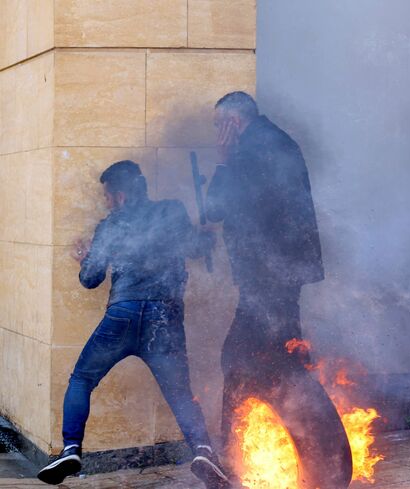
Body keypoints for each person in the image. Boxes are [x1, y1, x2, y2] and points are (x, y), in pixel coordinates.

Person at [37, 161, 229, 487]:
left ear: (122, 195)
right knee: (180, 393)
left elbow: (90, 279)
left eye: (108, 197)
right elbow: (195, 248)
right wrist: (206, 238)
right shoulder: (172, 210)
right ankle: (203, 451)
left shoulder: (111, 225)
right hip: (163, 319)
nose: (107, 203)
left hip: (121, 316)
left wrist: (85, 258)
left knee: (83, 379)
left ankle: (71, 449)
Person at [206, 91, 352, 488]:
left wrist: (222, 161)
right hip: (282, 274)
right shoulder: (278, 141)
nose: (217, 134)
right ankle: (254, 458)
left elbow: (214, 208)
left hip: (266, 276)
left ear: (233, 123)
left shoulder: (248, 151)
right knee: (271, 356)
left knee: (244, 357)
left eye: (219, 125)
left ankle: (231, 461)